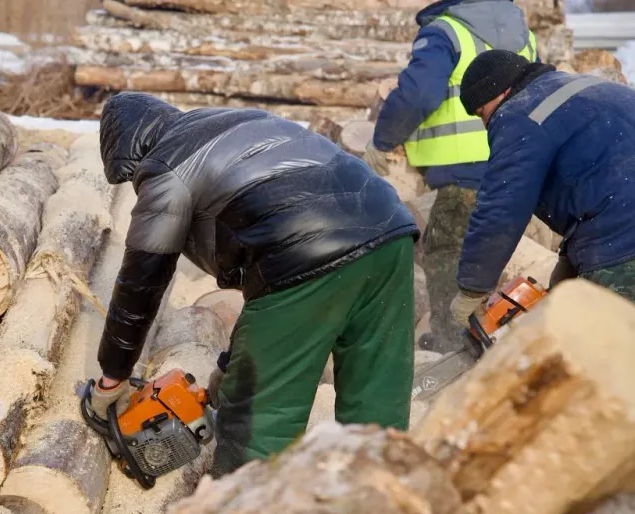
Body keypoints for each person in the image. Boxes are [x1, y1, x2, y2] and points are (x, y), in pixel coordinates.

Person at [87, 92, 420, 471]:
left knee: (260, 421)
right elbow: (267, 248)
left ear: (134, 149)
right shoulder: (234, 125)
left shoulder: (166, 165)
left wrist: (113, 374)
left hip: (309, 256)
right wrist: (232, 365)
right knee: (377, 410)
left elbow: (142, 279)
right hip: (390, 232)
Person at [366, 0, 537, 352]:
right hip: (515, 162)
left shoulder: (446, 31)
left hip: (463, 171)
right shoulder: (523, 32)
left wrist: (383, 140)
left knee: (446, 253)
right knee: (491, 251)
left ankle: (453, 344)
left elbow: (418, 94)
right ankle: (492, 335)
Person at [449, 50, 635, 325]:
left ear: (500, 93)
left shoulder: (519, 114)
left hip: (622, 241)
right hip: (617, 219)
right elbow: (599, 181)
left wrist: (471, 290)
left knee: (599, 347)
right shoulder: (579, 86)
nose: (484, 123)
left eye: (481, 112)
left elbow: (500, 209)